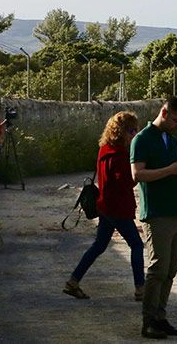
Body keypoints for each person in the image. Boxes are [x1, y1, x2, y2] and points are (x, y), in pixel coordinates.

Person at [64, 112, 146, 301]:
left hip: (105, 206)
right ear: (122, 132)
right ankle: (140, 288)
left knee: (99, 245)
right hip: (118, 208)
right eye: (132, 130)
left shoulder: (105, 149)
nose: (135, 134)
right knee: (136, 245)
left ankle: (73, 281)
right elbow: (123, 181)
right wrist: (138, 176)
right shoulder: (120, 155)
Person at [131, 97, 177, 340]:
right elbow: (137, 174)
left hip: (176, 211)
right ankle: (148, 321)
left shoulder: (173, 140)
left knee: (170, 270)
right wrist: (170, 170)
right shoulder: (142, 139)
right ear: (164, 113)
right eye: (176, 120)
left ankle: (160, 316)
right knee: (157, 270)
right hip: (156, 213)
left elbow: (170, 173)